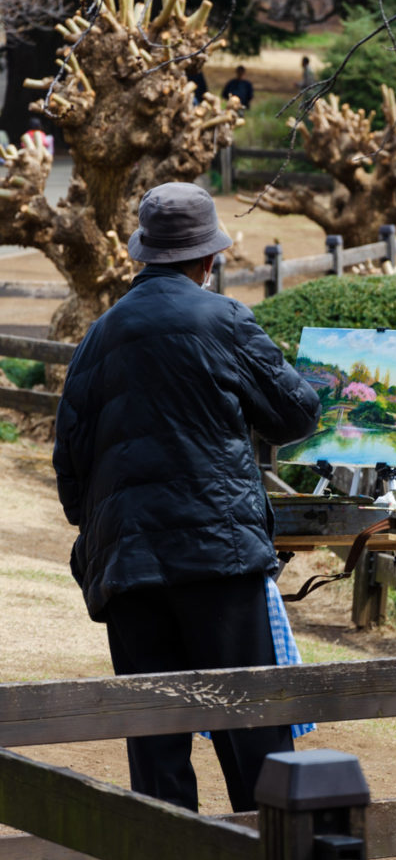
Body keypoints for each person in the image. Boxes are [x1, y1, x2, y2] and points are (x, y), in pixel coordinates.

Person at [52, 182, 320, 813]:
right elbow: (295, 413)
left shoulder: (98, 335)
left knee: (156, 733)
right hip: (217, 556)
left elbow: (70, 462)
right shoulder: (223, 319)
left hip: (128, 563)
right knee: (250, 723)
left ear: (145, 254)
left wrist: (101, 527)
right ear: (208, 259)